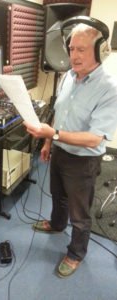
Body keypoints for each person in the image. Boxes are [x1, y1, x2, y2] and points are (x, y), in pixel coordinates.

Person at [23, 20, 117, 278]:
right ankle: (56, 224)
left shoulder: (109, 88)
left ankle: (76, 253)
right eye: (72, 49)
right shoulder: (67, 77)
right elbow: (58, 113)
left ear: (100, 50)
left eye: (82, 50)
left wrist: (51, 133)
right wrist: (48, 142)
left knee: (80, 213)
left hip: (83, 161)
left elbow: (94, 139)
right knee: (58, 195)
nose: (73, 56)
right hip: (60, 152)